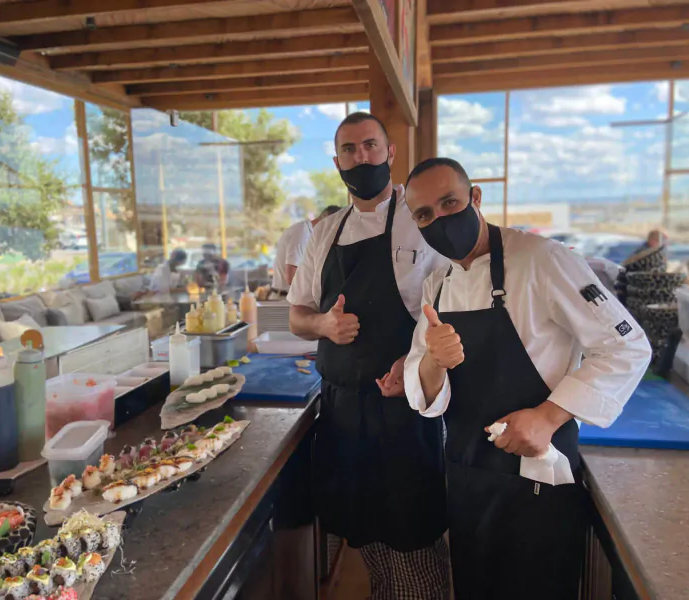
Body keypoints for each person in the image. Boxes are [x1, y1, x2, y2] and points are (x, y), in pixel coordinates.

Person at [402, 157, 651, 600]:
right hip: (466, 476)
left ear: (475, 198)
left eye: (449, 203)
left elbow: (626, 345)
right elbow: (422, 392)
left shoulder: (543, 259)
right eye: (424, 214)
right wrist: (434, 362)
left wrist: (546, 417)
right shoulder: (436, 282)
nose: (439, 220)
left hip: (536, 475)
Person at [288, 113, 451, 599]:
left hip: (404, 412)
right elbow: (297, 314)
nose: (362, 158)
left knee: (411, 539)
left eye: (371, 146)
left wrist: (417, 357)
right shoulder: (325, 231)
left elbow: (451, 305)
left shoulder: (420, 220)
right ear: (337, 161)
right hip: (340, 410)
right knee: (360, 534)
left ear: (391, 152)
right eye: (350, 150)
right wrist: (322, 325)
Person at [271, 205, 341, 298]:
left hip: (291, 298)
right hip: (285, 299)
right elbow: (291, 278)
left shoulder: (311, 235)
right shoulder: (302, 233)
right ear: (327, 221)